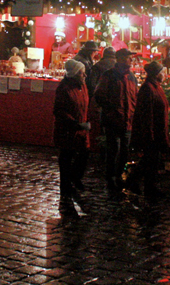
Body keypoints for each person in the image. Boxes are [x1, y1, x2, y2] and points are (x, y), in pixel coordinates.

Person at [94, 48, 138, 190]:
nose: (131, 60)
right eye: (128, 57)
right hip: (113, 120)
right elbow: (99, 95)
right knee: (114, 149)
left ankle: (118, 175)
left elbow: (134, 98)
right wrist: (111, 111)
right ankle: (111, 177)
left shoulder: (131, 77)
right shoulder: (109, 75)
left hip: (127, 120)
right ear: (120, 59)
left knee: (124, 150)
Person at [125, 61, 170, 199]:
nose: (164, 75)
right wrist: (149, 134)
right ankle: (140, 184)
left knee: (151, 160)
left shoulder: (155, 87)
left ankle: (143, 185)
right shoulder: (148, 89)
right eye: (162, 72)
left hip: (157, 130)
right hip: (152, 131)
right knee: (149, 160)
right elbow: (146, 114)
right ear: (156, 74)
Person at [53, 59, 90, 217]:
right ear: (75, 74)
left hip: (81, 129)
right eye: (82, 73)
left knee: (84, 155)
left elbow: (84, 105)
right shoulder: (64, 88)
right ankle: (65, 192)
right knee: (66, 160)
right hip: (68, 130)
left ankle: (74, 180)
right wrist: (75, 123)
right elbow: (59, 110)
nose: (85, 76)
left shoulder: (83, 87)